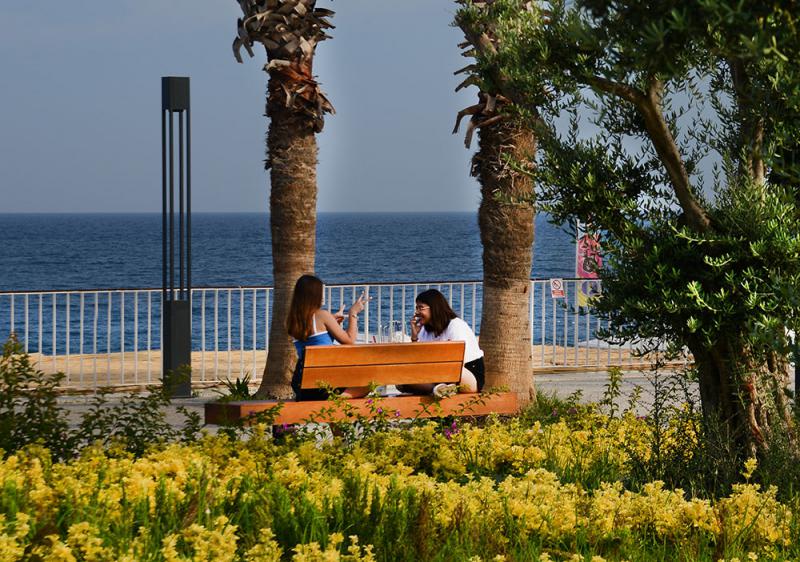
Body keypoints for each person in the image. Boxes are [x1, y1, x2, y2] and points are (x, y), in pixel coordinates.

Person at [287, 274, 369, 401]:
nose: (323, 296)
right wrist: (353, 313)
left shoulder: (292, 320)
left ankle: (335, 404)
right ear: (315, 295)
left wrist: (332, 323)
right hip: (326, 384)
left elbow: (314, 337)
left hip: (304, 385)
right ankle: (336, 399)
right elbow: (349, 340)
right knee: (368, 381)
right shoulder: (322, 315)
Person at [402, 289, 485, 397]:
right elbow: (417, 359)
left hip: (468, 373)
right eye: (416, 308)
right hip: (442, 373)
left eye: (420, 308)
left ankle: (437, 388)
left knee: (414, 378)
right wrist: (414, 337)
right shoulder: (425, 329)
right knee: (403, 377)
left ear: (434, 308)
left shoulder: (456, 325)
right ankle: (438, 390)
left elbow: (458, 360)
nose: (417, 312)